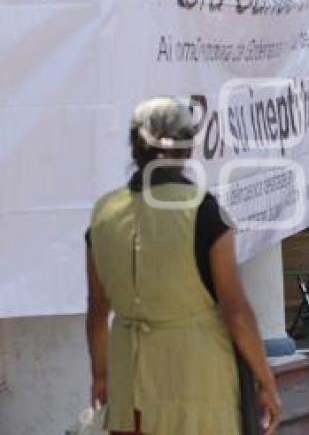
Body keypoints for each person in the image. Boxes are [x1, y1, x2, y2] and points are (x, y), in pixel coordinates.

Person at [85, 97, 281, 435]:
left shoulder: (104, 212)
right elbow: (236, 311)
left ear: (135, 147)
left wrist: (102, 375)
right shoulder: (202, 210)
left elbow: (97, 309)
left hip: (128, 377)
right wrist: (266, 381)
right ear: (188, 149)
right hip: (196, 376)